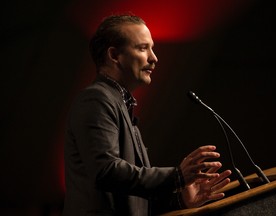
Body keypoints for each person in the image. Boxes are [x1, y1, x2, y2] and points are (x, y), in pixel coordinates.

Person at [62, 14, 232, 216]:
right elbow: (106, 172)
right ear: (114, 55)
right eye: (143, 48)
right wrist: (176, 176)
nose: (154, 58)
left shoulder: (121, 104)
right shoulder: (96, 99)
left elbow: (133, 200)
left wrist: (181, 199)